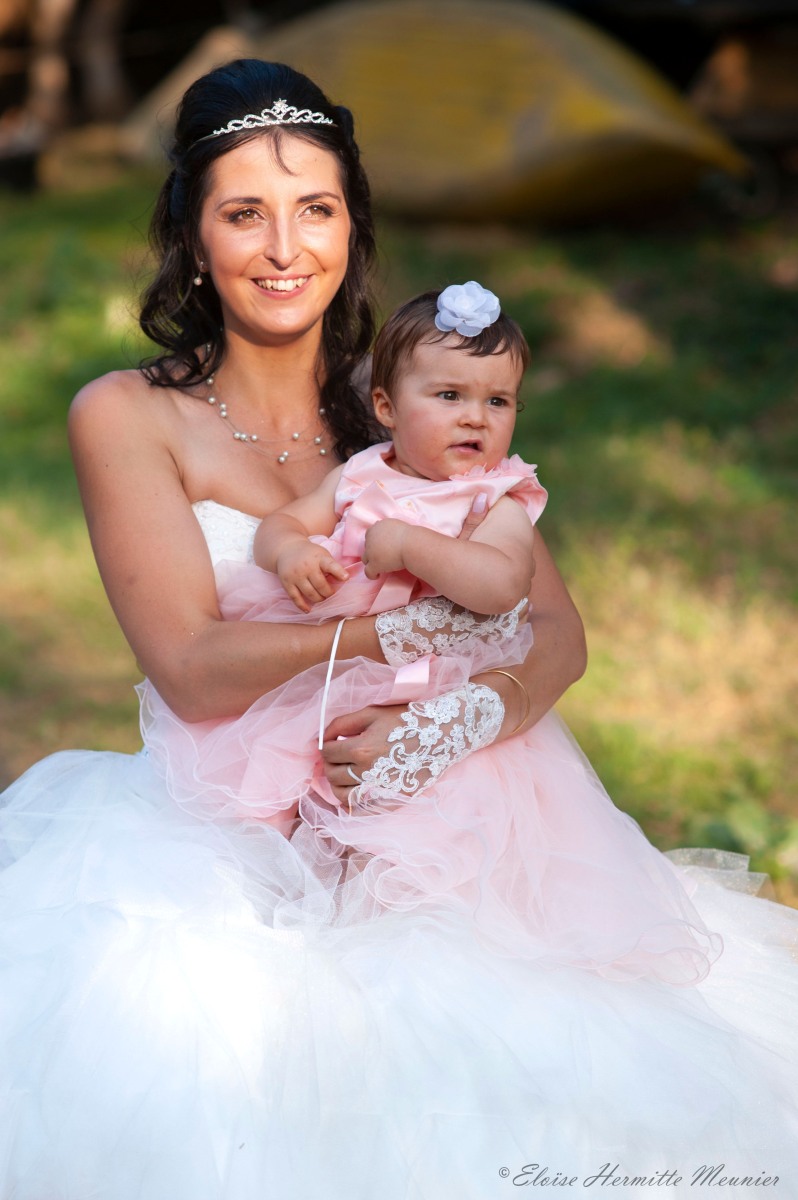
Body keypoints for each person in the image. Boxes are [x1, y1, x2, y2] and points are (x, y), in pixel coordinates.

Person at [1, 57, 798, 1200]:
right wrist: (393, 640)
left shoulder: (411, 400)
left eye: (316, 209)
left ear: (353, 226)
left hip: (442, 847)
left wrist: (450, 725)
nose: (286, 248)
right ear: (192, 238)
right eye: (245, 214)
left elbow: (555, 633)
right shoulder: (130, 416)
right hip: (225, 852)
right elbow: (191, 668)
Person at [140, 283, 546, 834]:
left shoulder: (494, 501)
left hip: (423, 701)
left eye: (497, 401)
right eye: (450, 396)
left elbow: (504, 586)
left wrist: (411, 546)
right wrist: (290, 551)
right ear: (387, 408)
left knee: (408, 835)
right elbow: (283, 523)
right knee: (277, 790)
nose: (476, 418)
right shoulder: (361, 473)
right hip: (320, 678)